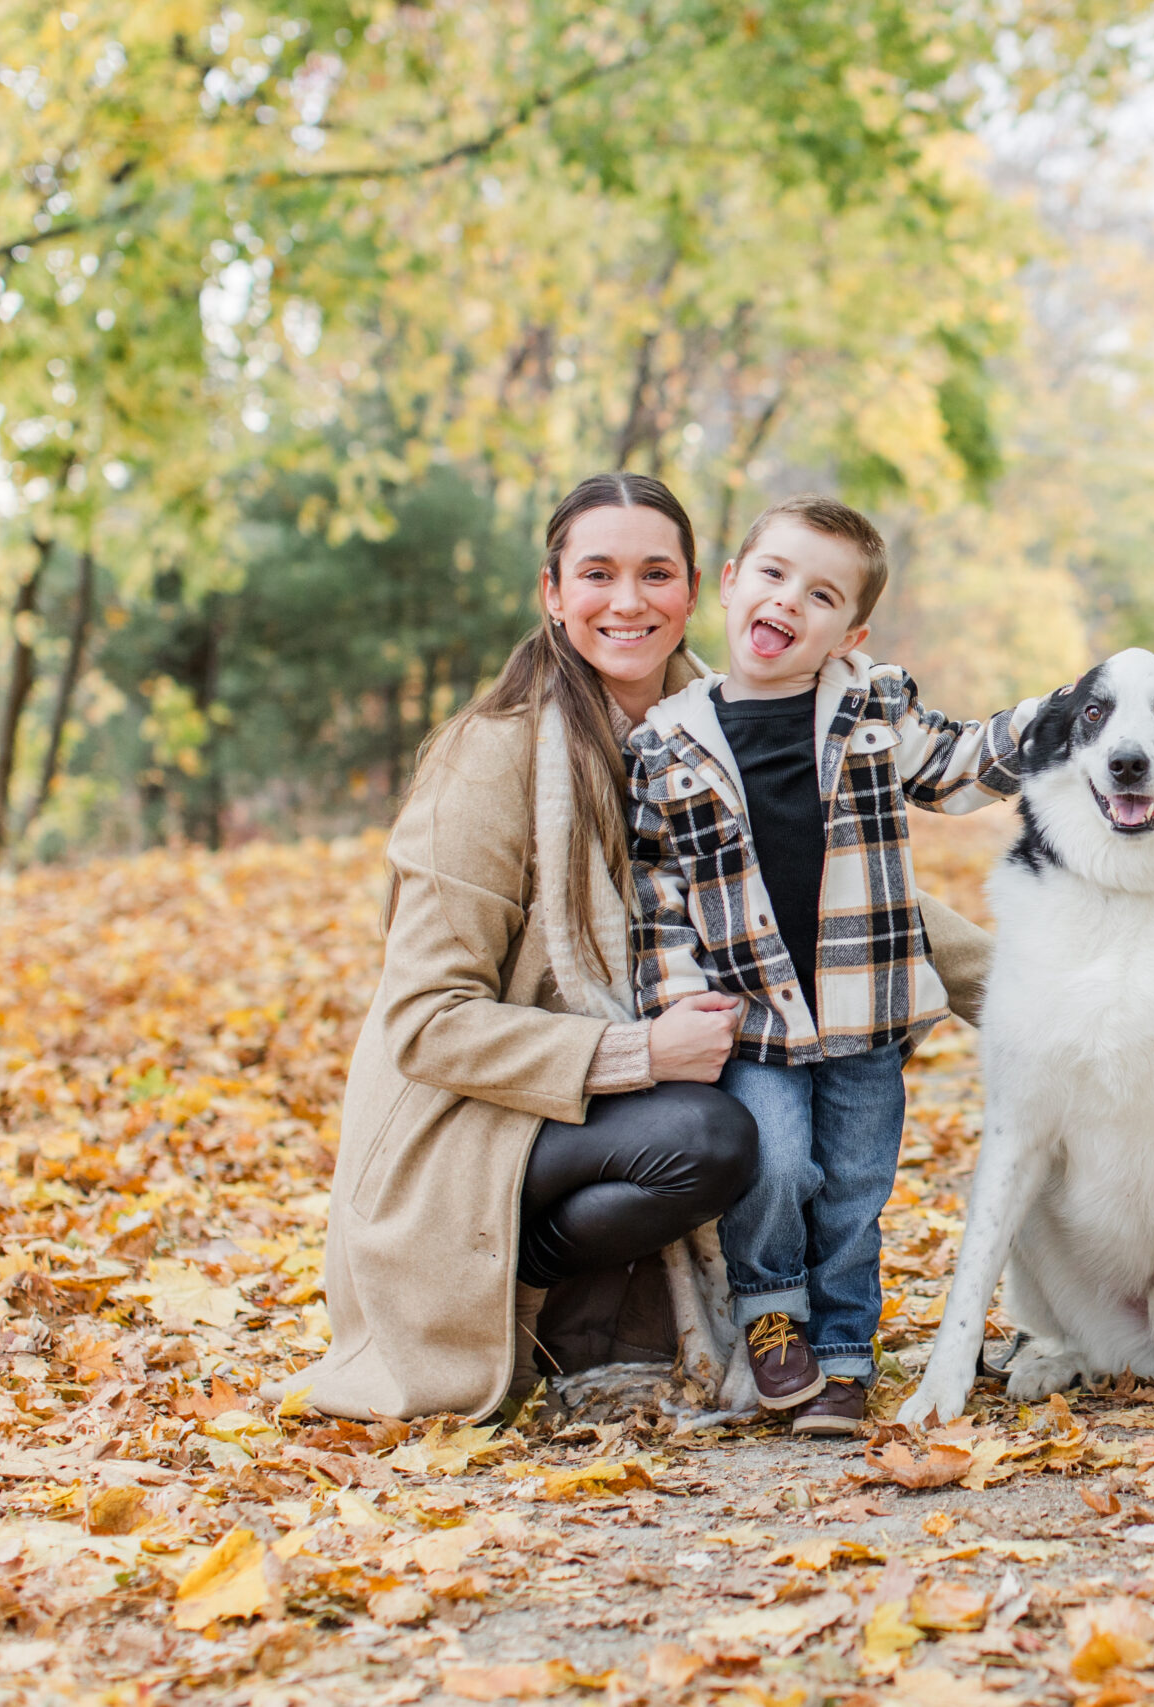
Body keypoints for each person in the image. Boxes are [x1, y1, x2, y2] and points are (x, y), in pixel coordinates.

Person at [292, 473, 992, 1425]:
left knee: (758, 1121)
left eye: (655, 574)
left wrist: (1045, 995)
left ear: (697, 588)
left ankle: (633, 1319)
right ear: (553, 592)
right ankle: (524, 1297)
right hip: (472, 1123)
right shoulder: (487, 759)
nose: (628, 601)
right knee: (715, 1134)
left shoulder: (725, 727)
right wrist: (638, 1051)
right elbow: (426, 1023)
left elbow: (843, 900)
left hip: (605, 1105)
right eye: (597, 574)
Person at [628, 497, 1039, 1437]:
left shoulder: (869, 706)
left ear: (849, 633)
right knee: (774, 1165)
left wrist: (1055, 718)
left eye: (821, 595)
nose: (788, 601)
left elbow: (956, 764)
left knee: (855, 1186)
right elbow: (658, 889)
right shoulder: (666, 741)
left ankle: (847, 1353)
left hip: (866, 1009)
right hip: (752, 1018)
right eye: (773, 574)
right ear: (730, 584)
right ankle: (774, 1313)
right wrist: (677, 1000)